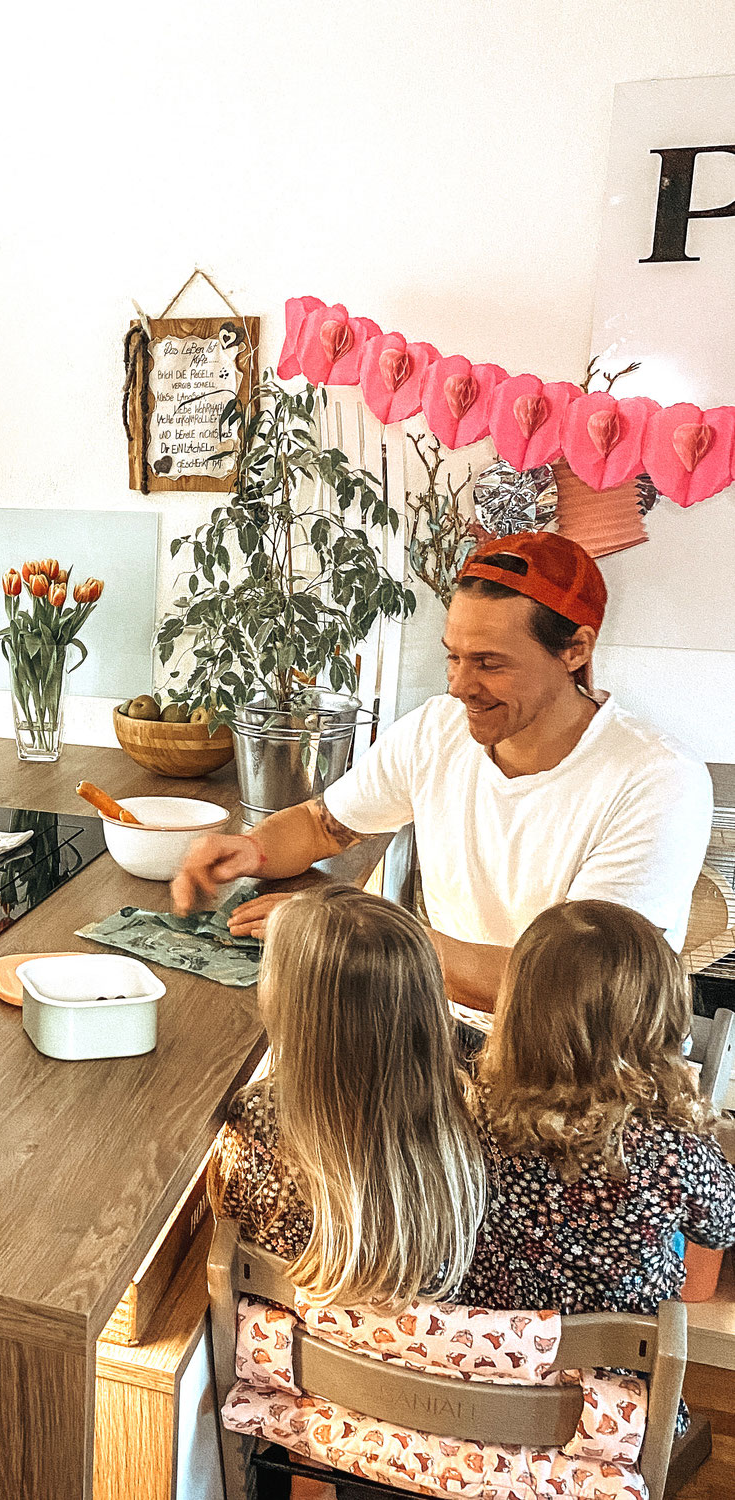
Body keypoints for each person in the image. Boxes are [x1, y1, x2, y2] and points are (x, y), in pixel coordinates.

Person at [174, 531, 713, 1013]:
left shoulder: (658, 780)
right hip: (450, 1029)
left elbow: (575, 993)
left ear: (575, 650)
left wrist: (348, 933)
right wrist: (252, 851)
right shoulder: (439, 729)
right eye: (453, 657)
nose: (458, 686)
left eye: (489, 663)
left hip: (587, 1074)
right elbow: (324, 825)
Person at [207, 885, 485, 1310]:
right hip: (427, 1360)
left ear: (292, 1011)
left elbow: (228, 1224)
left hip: (297, 1355)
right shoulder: (463, 1120)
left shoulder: (258, 1123)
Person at [462, 899, 735, 1322]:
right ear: (658, 1022)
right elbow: (722, 1227)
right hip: (610, 1374)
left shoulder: (471, 1114)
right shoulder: (673, 1150)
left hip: (493, 1361)